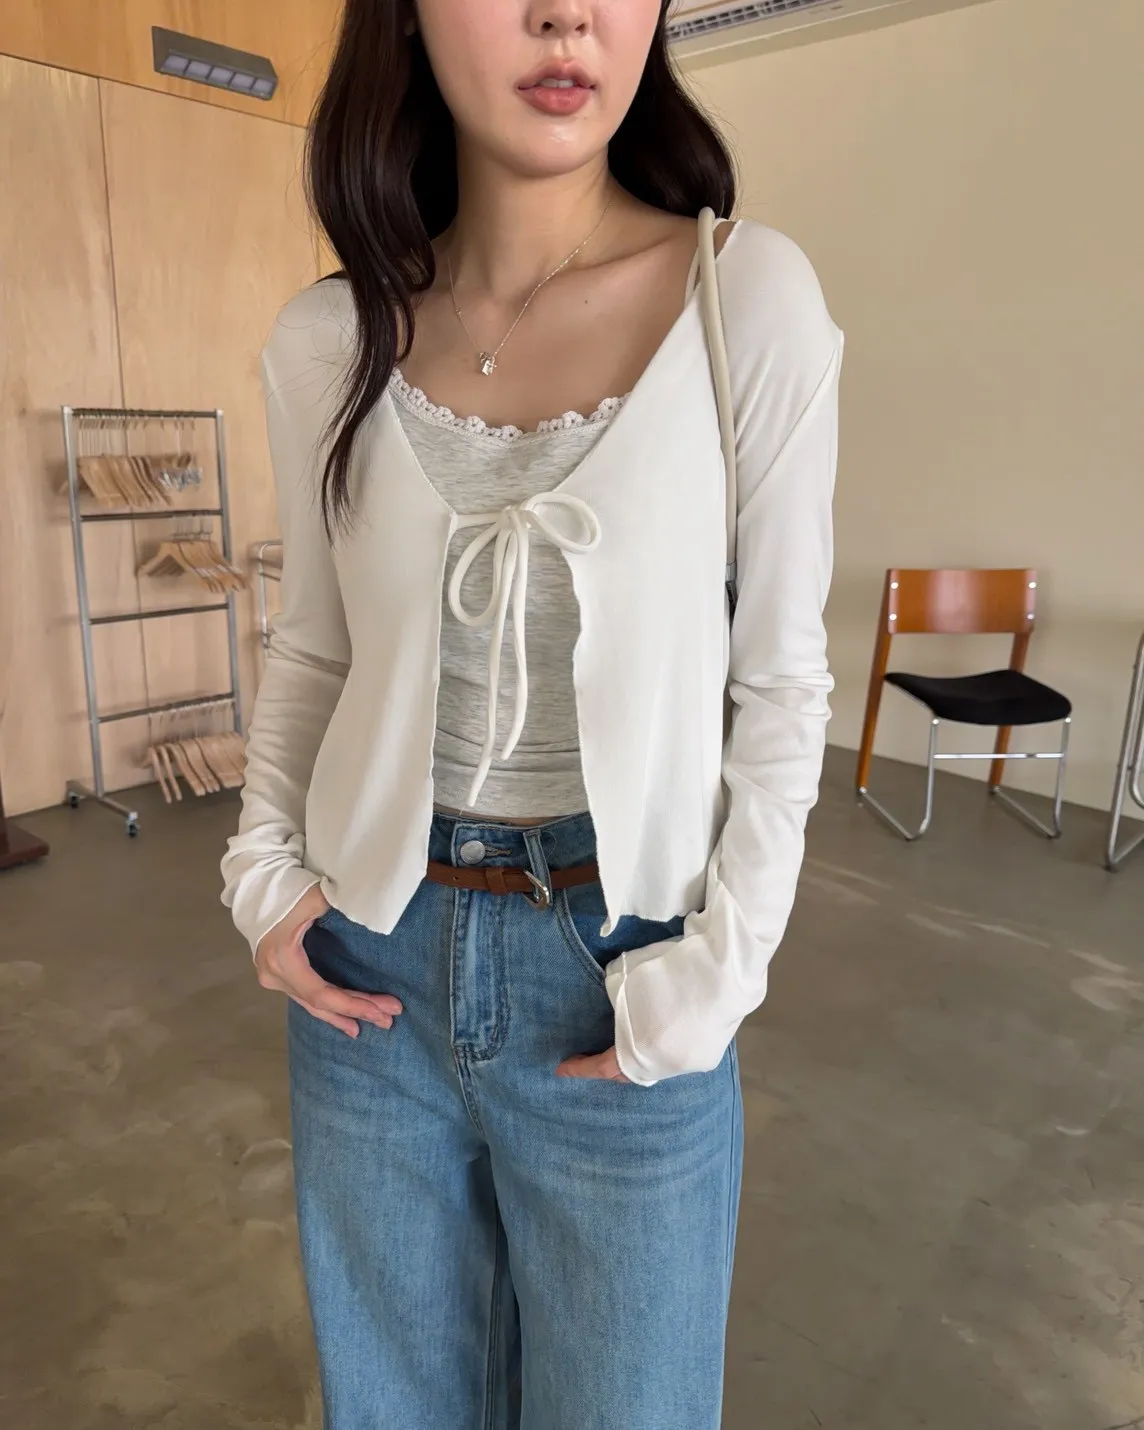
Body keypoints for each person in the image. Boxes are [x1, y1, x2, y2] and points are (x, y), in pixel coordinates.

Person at [221, 1, 842, 1425]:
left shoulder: (744, 299)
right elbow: (314, 646)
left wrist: (719, 975)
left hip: (622, 967)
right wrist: (261, 874)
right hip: (370, 971)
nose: (567, 13)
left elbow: (782, 681)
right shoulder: (329, 336)